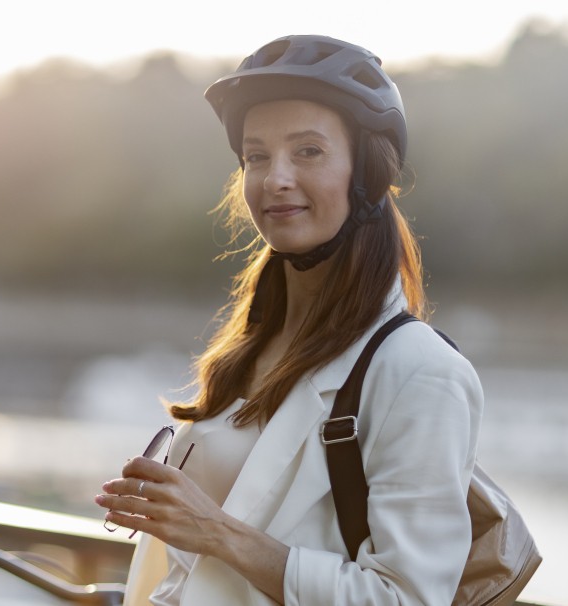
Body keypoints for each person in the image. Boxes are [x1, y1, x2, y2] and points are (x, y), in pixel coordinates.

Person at [95, 35, 483, 605]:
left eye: (307, 151)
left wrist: (217, 531)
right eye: (256, 156)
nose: (275, 177)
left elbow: (405, 599)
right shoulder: (252, 344)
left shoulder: (420, 372)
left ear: (367, 173)